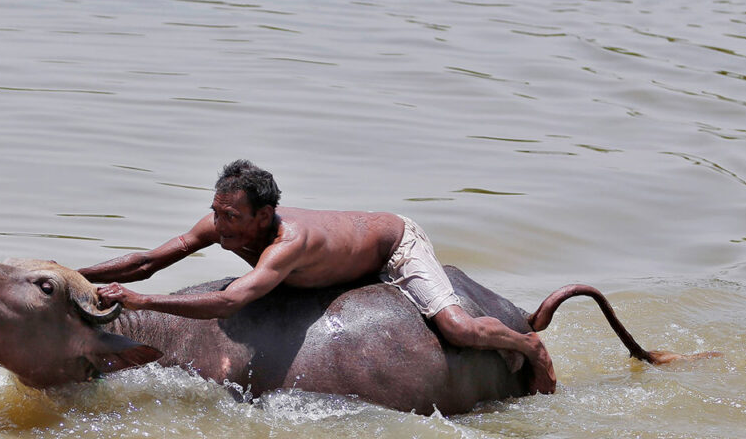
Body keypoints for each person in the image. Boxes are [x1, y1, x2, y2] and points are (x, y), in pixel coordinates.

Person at [78, 159, 555, 394]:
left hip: (393, 246)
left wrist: (142, 302)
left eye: (232, 218)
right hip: (335, 264)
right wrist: (71, 275)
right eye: (215, 213)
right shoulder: (222, 223)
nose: (218, 227)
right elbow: (148, 261)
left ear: (265, 216)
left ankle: (526, 345)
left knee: (457, 328)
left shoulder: (289, 242)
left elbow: (230, 302)